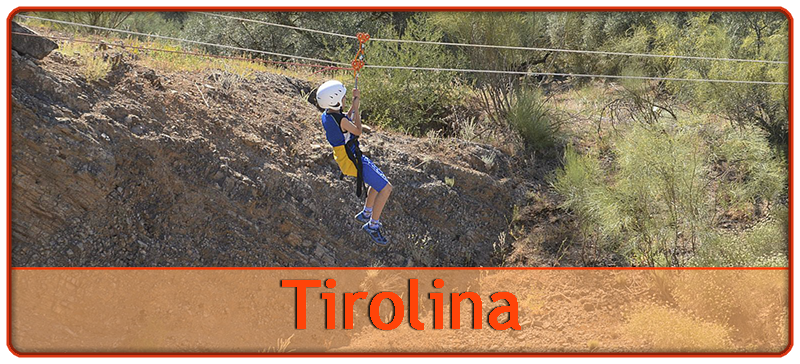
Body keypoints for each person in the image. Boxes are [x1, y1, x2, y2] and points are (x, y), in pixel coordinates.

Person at [316, 80, 393, 245]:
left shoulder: (327, 114)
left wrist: (353, 104)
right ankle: (373, 225)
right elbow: (357, 130)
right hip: (352, 159)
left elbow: (343, 119)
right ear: (336, 101)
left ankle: (367, 212)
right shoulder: (340, 120)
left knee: (377, 182)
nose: (344, 100)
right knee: (386, 188)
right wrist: (356, 110)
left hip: (347, 158)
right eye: (343, 98)